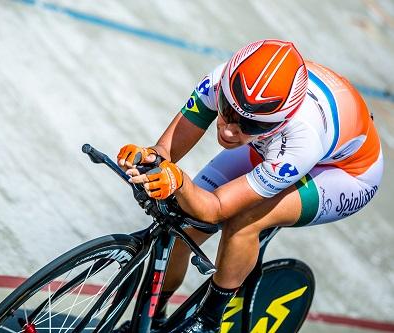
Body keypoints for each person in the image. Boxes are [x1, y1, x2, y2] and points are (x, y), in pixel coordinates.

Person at [115, 39, 383, 333]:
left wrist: (178, 181)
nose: (229, 131)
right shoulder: (223, 82)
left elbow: (216, 209)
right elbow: (164, 151)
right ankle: (154, 320)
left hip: (345, 173)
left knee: (244, 220)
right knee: (183, 223)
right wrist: (152, 159)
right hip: (270, 146)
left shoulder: (301, 139)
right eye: (227, 112)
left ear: (279, 122)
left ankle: (209, 320)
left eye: (250, 124)